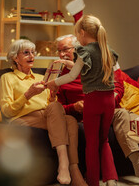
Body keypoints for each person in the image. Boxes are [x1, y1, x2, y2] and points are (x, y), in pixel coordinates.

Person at [0, 39, 87, 186]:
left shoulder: (42, 78)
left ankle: (73, 168)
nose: (31, 56)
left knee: (68, 119)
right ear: (15, 57)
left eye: (33, 52)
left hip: (47, 116)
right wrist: (28, 94)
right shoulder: (7, 78)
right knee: (65, 119)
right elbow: (7, 111)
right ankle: (66, 166)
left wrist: (52, 95)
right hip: (22, 119)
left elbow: (50, 106)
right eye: (26, 53)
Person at [55, 34, 139, 179]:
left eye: (65, 49)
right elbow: (58, 108)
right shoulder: (59, 76)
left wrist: (109, 101)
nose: (61, 54)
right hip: (85, 115)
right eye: (59, 51)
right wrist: (74, 107)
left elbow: (117, 86)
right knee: (126, 117)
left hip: (108, 108)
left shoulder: (95, 65)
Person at [46, 15, 118, 186]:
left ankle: (93, 182)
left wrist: (52, 83)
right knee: (104, 140)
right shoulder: (108, 50)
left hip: (93, 100)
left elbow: (71, 76)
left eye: (77, 35)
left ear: (83, 33)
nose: (77, 38)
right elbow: (94, 70)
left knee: (92, 144)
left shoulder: (84, 51)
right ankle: (111, 181)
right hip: (109, 100)